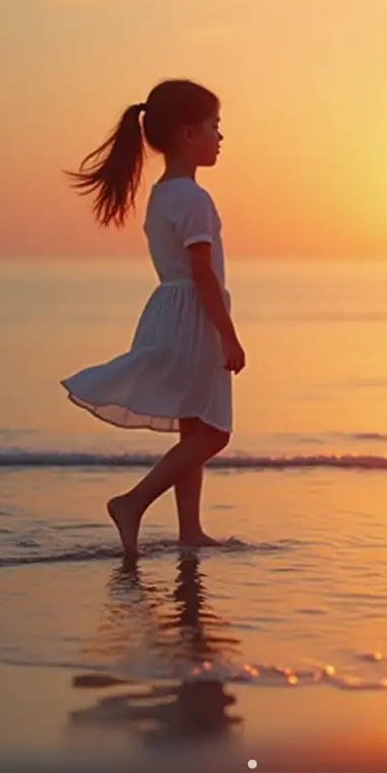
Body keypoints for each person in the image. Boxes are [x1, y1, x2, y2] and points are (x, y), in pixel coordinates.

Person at [61, 79, 245, 561]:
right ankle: (133, 502)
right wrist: (228, 335)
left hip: (169, 310)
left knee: (193, 425)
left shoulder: (164, 194)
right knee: (213, 434)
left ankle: (190, 530)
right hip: (195, 315)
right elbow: (202, 272)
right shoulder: (193, 199)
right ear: (188, 134)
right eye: (214, 126)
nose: (220, 137)